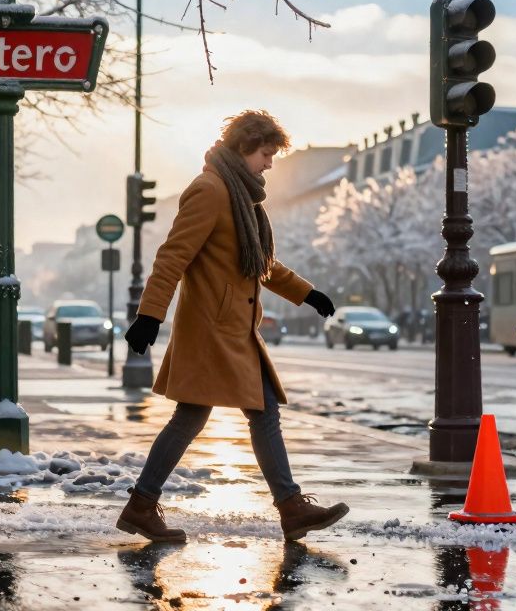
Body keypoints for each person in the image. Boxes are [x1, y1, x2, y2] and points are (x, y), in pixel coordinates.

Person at [118, 109, 348, 544]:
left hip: (234, 331)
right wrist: (149, 316)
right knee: (208, 416)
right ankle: (145, 506)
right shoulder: (209, 190)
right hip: (211, 332)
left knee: (248, 414)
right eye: (265, 154)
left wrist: (307, 293)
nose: (269, 164)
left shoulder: (240, 196)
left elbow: (259, 262)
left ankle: (287, 508)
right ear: (244, 147)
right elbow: (172, 256)